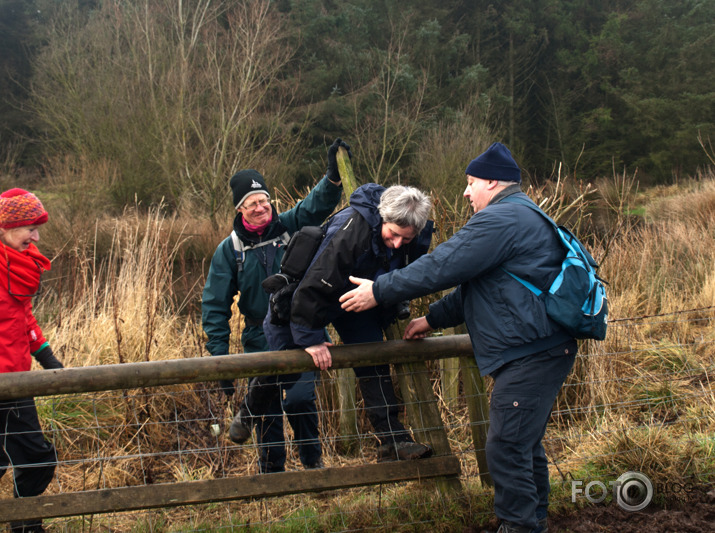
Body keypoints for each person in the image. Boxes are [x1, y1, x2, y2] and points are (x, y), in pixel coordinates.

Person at [339, 143, 577, 533]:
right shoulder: (520, 215)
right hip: (542, 347)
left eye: (470, 183)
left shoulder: (501, 219)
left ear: (492, 182)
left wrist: (380, 290)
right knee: (522, 446)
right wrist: (432, 319)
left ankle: (520, 527)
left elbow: (443, 264)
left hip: (533, 352)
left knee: (506, 447)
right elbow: (481, 286)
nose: (466, 192)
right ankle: (530, 523)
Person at [233, 183, 435, 463]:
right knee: (285, 366)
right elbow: (313, 287)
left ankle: (393, 441)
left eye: (406, 239)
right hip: (302, 300)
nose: (399, 243)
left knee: (373, 358)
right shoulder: (351, 231)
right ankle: (249, 411)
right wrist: (310, 338)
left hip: (355, 300)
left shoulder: (415, 231)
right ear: (383, 218)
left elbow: (408, 271)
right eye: (394, 235)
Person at [201, 139, 347, 474]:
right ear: (240, 209)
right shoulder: (230, 251)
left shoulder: (288, 227)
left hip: (300, 331)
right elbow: (215, 307)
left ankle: (314, 467)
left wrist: (333, 178)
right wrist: (219, 361)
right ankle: (273, 474)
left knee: (299, 400)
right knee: (265, 408)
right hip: (257, 337)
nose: (259, 207)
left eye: (263, 200)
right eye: (251, 203)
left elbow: (315, 205)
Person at [0, 188, 63, 533]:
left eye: (38, 228)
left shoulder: (19, 265)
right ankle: (25, 526)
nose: (36, 237)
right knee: (38, 459)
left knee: (24, 460)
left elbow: (23, 317)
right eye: (30, 228)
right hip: (4, 383)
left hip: (16, 380)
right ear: (8, 227)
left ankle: (23, 524)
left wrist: (46, 356)